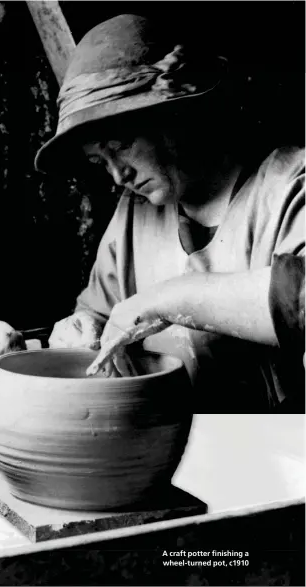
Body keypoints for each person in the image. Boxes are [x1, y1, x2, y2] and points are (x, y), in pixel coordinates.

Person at [35, 14, 305, 412]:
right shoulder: (137, 210)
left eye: (122, 143)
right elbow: (99, 313)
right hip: (171, 447)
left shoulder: (288, 184)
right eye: (99, 161)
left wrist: (166, 299)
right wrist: (82, 331)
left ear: (177, 115)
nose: (117, 174)